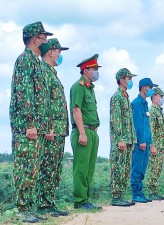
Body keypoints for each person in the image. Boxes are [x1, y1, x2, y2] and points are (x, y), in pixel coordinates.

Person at [9, 21, 53, 223]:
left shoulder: (36, 62)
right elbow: (24, 94)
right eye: (44, 38)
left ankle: (29, 206)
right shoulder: (25, 60)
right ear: (35, 39)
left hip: (37, 127)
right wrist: (29, 123)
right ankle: (22, 208)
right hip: (27, 127)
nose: (46, 42)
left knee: (33, 168)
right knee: (25, 167)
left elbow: (41, 98)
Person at [36, 38, 69, 217]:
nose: (60, 55)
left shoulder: (52, 73)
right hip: (51, 130)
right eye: (59, 52)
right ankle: (43, 204)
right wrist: (47, 127)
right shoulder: (43, 72)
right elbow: (44, 102)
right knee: (47, 167)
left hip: (58, 129)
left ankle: (49, 202)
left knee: (55, 168)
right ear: (51, 52)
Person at [70, 54, 102, 209]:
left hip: (92, 131)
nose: (96, 72)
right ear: (85, 70)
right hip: (83, 131)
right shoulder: (79, 86)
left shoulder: (90, 88)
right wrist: (82, 133)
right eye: (94, 69)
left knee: (89, 168)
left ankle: (85, 199)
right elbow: (76, 109)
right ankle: (79, 200)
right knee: (81, 167)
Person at [110, 68, 137, 207]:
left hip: (128, 140)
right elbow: (116, 119)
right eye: (129, 78)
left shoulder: (126, 97)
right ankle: (116, 197)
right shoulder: (117, 97)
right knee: (118, 168)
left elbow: (130, 121)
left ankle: (121, 195)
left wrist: (132, 140)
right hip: (120, 141)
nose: (131, 81)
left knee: (126, 169)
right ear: (121, 80)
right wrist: (120, 138)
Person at [131, 78, 158, 203]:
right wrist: (141, 140)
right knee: (137, 168)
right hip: (139, 143)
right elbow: (137, 124)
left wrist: (150, 143)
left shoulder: (145, 103)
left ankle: (140, 192)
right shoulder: (136, 103)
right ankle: (135, 193)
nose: (151, 90)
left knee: (142, 169)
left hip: (146, 142)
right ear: (143, 88)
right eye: (150, 87)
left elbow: (147, 126)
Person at [146, 87, 164, 201]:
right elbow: (151, 130)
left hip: (161, 145)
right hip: (156, 145)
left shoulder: (160, 111)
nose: (162, 98)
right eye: (161, 96)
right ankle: (151, 192)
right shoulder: (152, 111)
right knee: (154, 168)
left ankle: (154, 191)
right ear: (154, 97)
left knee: (158, 168)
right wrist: (152, 145)